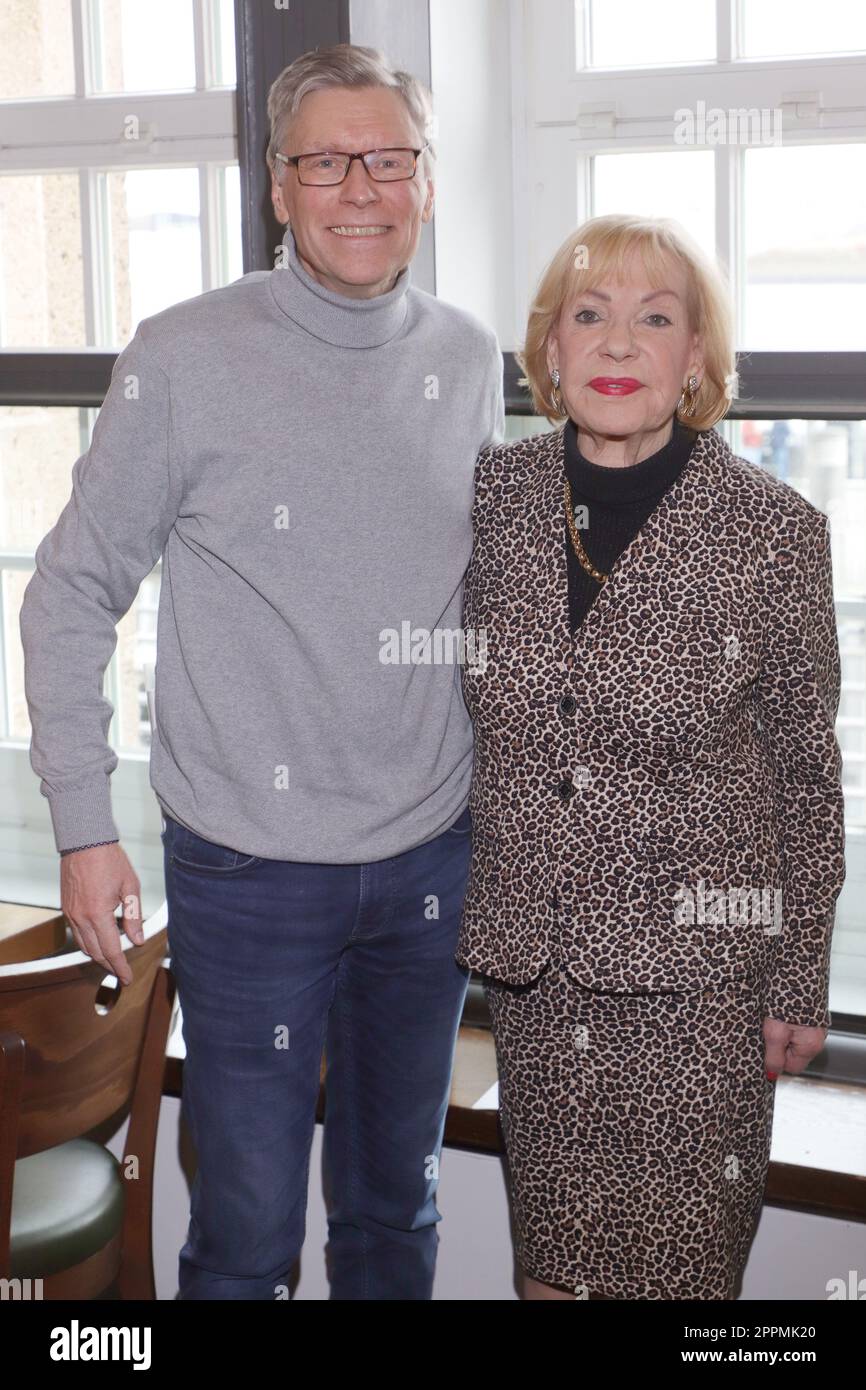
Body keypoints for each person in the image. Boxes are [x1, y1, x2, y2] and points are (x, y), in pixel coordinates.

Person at [19, 43, 504, 1300]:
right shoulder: (184, 356)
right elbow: (70, 590)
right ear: (278, 192)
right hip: (245, 872)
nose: (359, 187)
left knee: (394, 1211)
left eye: (387, 157)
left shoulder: (468, 359)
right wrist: (84, 826)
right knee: (241, 1238)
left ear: (425, 183)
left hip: (430, 863)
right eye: (324, 161)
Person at [456, 214, 846, 1301]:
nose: (617, 344)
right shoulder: (493, 501)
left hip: (703, 993)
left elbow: (807, 779)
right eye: (589, 316)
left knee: (678, 1283)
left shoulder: (772, 531)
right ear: (549, 354)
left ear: (693, 364)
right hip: (541, 985)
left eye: (653, 318)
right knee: (550, 1270)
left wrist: (799, 976)